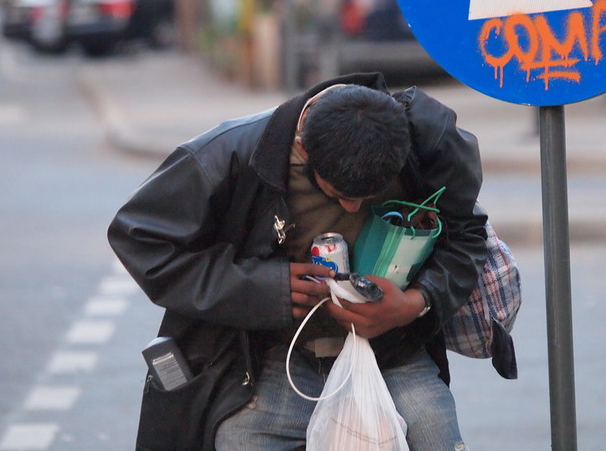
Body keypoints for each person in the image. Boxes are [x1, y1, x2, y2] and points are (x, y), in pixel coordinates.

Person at [108, 72, 488, 451]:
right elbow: (140, 238)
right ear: (304, 148)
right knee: (241, 439)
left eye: (369, 196)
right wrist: (262, 288)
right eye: (338, 193)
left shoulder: (429, 141)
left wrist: (415, 303)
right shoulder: (227, 155)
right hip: (279, 353)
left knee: (435, 432)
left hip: (391, 349)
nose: (353, 207)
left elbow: (467, 235)